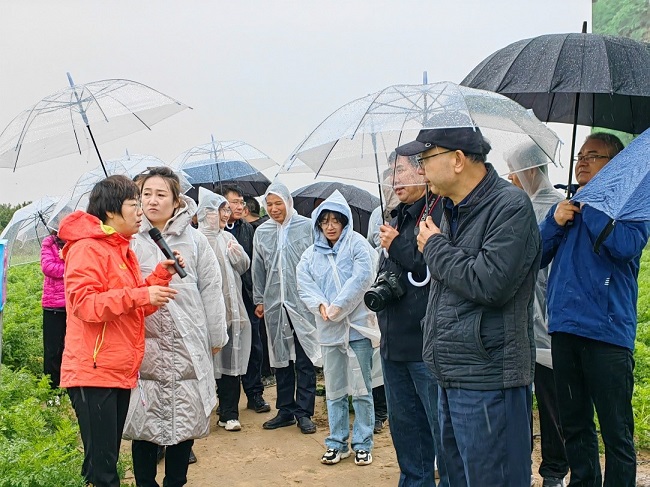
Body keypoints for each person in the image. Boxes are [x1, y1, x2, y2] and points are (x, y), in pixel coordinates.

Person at [408, 126, 540, 486]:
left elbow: (490, 282)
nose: (420, 168)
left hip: (488, 379)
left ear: (457, 160)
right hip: (450, 375)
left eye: (425, 158)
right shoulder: (452, 210)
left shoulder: (509, 206)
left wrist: (434, 246)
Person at [539, 133, 649, 487]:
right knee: (574, 424)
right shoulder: (568, 206)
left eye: (593, 156)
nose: (582, 161)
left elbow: (625, 246)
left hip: (607, 334)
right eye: (580, 155)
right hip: (565, 328)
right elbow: (535, 257)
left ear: (614, 164)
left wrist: (595, 207)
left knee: (616, 430)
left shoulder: (634, 206)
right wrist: (554, 222)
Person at [58, 175, 182, 487]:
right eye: (134, 204)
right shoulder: (87, 249)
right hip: (93, 370)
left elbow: (134, 308)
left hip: (117, 368)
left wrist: (158, 278)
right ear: (112, 211)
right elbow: (86, 305)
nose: (141, 211)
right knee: (104, 470)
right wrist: (142, 295)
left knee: (104, 460)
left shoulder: (120, 248)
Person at [121, 167, 227, 486]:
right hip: (145, 343)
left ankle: (175, 481)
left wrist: (215, 334)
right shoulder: (130, 240)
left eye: (160, 194)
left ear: (176, 200)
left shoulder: (194, 240)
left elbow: (211, 286)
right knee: (144, 420)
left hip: (187, 344)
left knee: (184, 418)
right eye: (146, 194)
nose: (152, 200)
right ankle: (144, 482)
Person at [375, 151, 447, 486]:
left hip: (426, 349)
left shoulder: (442, 213)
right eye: (391, 172)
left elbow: (430, 270)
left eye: (401, 170)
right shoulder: (396, 217)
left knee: (442, 436)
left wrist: (397, 245)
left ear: (423, 170)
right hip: (393, 347)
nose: (395, 180)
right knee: (407, 436)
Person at [297, 190, 380, 466]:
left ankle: (363, 442)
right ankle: (336, 441)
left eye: (336, 220)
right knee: (334, 389)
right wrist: (322, 306)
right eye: (325, 221)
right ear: (318, 224)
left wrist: (339, 306)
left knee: (361, 388)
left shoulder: (357, 245)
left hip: (357, 329)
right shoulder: (310, 255)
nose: (330, 226)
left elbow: (363, 277)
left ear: (345, 221)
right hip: (330, 329)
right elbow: (304, 283)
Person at [507, 144, 568, 487]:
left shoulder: (555, 208)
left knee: (549, 401)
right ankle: (522, 465)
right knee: (518, 402)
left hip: (546, 317)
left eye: (514, 171)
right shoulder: (519, 207)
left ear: (530, 171)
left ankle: (554, 471)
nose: (511, 179)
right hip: (519, 320)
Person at [252, 182, 321, 434]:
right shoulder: (263, 232)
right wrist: (260, 299)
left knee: (304, 357)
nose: (273, 209)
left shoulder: (307, 227)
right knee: (280, 357)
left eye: (277, 203)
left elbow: (318, 262)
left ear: (288, 202)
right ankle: (285, 410)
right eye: (269, 204)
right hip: (274, 303)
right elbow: (257, 268)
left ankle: (304, 412)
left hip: (302, 303)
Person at [196, 188, 252, 432]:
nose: (226, 214)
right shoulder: (196, 240)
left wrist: (238, 255)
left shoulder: (227, 237)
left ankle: (229, 412)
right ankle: (202, 414)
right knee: (205, 364)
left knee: (231, 360)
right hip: (204, 314)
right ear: (206, 212)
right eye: (222, 209)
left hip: (232, 310)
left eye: (226, 210)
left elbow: (242, 268)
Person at [221, 185, 271, 414]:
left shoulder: (247, 229)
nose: (240, 207)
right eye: (235, 202)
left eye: (241, 202)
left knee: (253, 346)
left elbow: (255, 266)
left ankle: (255, 394)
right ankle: (226, 401)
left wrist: (257, 297)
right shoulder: (210, 231)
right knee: (224, 345)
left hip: (247, 295)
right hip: (222, 299)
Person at [40, 230, 66, 390]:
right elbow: (48, 267)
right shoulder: (49, 243)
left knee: (71, 349)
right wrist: (69, 265)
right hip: (54, 305)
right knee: (53, 350)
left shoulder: (78, 242)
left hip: (75, 303)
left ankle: (69, 388)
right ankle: (51, 392)